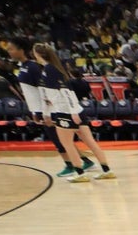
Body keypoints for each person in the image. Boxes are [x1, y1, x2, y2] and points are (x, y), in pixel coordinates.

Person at [6, 38, 92, 177]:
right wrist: (34, 110)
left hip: (48, 109)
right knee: (60, 138)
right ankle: (85, 160)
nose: (9, 51)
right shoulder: (23, 67)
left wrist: (45, 111)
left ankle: (70, 164)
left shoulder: (33, 67)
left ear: (21, 50)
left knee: (58, 139)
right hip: (39, 108)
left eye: (11, 49)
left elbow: (44, 91)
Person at [32, 44, 114, 182]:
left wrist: (71, 112)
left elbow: (66, 92)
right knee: (90, 142)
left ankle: (80, 173)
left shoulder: (49, 69)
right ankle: (107, 170)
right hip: (76, 110)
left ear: (38, 54)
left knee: (67, 144)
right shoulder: (54, 68)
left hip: (66, 112)